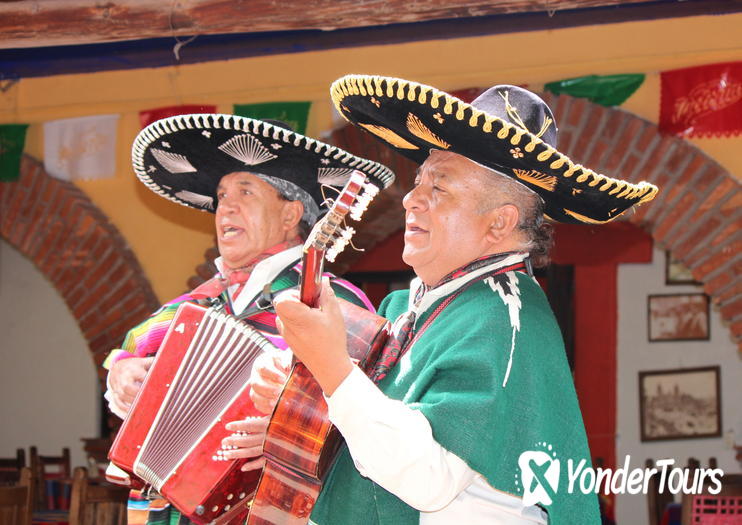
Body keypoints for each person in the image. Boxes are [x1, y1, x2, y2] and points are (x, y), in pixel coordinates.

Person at [250, 76, 658, 524]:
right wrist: (304, 398)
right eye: (418, 181)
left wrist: (331, 368)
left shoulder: (505, 314)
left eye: (438, 188)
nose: (410, 199)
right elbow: (370, 442)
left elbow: (429, 477)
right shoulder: (407, 310)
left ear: (500, 224)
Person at [103, 113, 394, 525]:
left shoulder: (329, 303)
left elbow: (375, 408)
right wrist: (123, 371)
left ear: (291, 215)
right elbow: (128, 351)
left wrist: (291, 433)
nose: (227, 207)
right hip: (171, 508)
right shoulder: (198, 304)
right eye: (221, 196)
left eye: (246, 192)